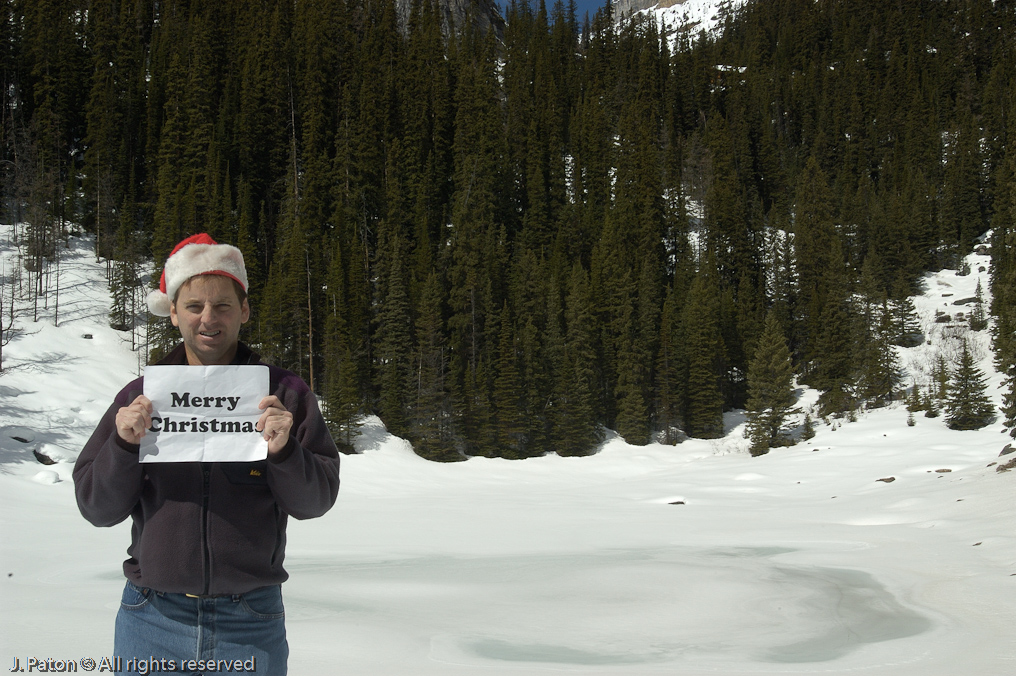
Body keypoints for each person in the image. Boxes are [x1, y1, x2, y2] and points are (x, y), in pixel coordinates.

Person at [73, 233, 341, 675]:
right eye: (195, 306)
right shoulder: (142, 396)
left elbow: (315, 503)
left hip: (250, 621)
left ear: (245, 311)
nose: (208, 319)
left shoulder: (285, 393)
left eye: (223, 306)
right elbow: (97, 508)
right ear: (174, 312)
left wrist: (284, 451)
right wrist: (123, 446)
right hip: (151, 619)